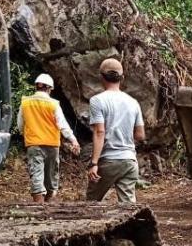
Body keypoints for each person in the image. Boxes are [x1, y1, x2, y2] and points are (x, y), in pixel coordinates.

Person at [86, 58, 146, 203]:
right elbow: (140, 135)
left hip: (108, 161)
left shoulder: (97, 100)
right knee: (128, 207)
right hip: (129, 162)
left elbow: (100, 132)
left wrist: (94, 163)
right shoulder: (133, 102)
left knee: (92, 203)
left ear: (101, 77)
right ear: (122, 78)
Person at [17, 73, 80, 204]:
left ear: (36, 87)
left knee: (37, 173)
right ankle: (50, 202)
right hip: (52, 144)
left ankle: (39, 205)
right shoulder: (53, 104)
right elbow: (62, 125)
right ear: (49, 88)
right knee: (51, 175)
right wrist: (73, 140)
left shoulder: (26, 103)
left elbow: (20, 125)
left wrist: (27, 134)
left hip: (33, 143)